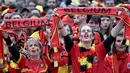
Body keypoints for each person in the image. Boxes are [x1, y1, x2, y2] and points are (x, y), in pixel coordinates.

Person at [58, 14, 124, 73]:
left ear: (93, 37)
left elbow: (112, 36)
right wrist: (58, 17)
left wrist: (123, 20)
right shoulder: (73, 49)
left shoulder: (100, 49)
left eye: (88, 31)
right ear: (80, 37)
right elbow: (65, 35)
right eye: (83, 31)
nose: (86, 32)